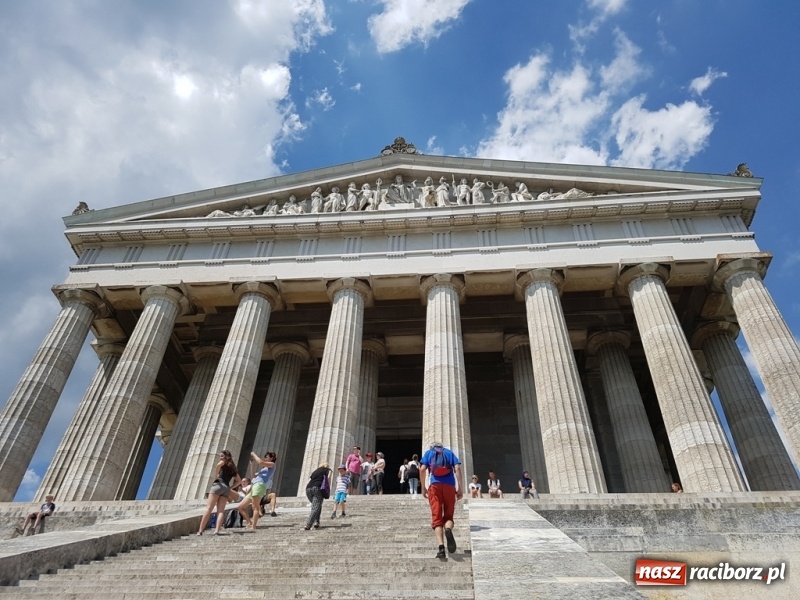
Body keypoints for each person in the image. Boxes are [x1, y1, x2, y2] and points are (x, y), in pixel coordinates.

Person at [420, 442, 463, 559]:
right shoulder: (449, 453)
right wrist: (460, 488)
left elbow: (423, 468)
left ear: (432, 447)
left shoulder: (429, 453)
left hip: (435, 486)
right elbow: (457, 468)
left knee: (436, 516)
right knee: (448, 516)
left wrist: (423, 487)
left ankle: (441, 549)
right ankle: (448, 529)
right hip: (449, 486)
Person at [198, 450, 241, 536]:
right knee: (220, 511)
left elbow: (218, 465)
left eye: (221, 456)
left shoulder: (223, 462)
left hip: (218, 484)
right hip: (226, 488)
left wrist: (215, 477)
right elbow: (239, 481)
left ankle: (200, 530)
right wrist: (230, 488)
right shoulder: (233, 467)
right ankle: (217, 530)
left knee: (209, 508)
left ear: (226, 456)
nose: (220, 458)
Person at [239, 451, 276, 530]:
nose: (265, 458)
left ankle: (253, 526)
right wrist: (251, 465)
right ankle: (249, 522)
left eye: (267, 457)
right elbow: (253, 476)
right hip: (254, 485)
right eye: (265, 457)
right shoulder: (263, 470)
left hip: (260, 485)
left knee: (255, 507)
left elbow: (260, 462)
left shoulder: (272, 465)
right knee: (240, 507)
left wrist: (253, 454)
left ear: (272, 458)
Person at [304, 462, 331, 530]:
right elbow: (328, 479)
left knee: (317, 505)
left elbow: (311, 479)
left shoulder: (315, 471)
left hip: (308, 489)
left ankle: (317, 522)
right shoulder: (327, 470)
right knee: (316, 507)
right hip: (317, 488)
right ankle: (309, 524)